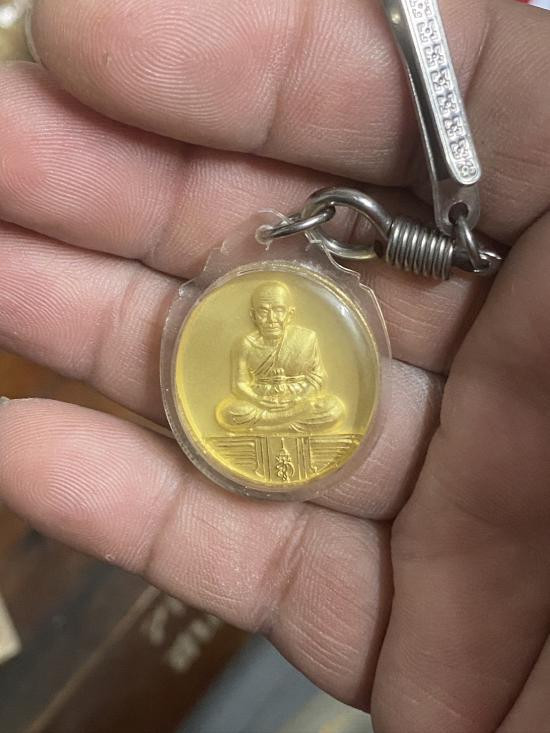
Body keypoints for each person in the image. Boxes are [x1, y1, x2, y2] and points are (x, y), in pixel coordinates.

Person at [0, 1, 549, 731]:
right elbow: (246, 389)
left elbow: (312, 385)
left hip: (304, 412)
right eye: (260, 316)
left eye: (272, 317)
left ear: (284, 313)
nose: (267, 323)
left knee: (328, 407)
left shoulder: (306, 334)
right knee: (232, 410)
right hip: (263, 415)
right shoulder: (254, 341)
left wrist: (295, 385)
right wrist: (269, 387)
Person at [216, 281, 344, 433]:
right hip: (262, 401)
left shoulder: (306, 338)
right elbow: (239, 385)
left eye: (278, 310)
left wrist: (299, 399)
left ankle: (269, 427)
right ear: (253, 315)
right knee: (228, 412)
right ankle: (285, 425)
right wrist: (259, 401)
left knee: (333, 409)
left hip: (299, 401)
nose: (271, 318)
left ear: (290, 314)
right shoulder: (245, 344)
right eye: (263, 311)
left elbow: (319, 378)